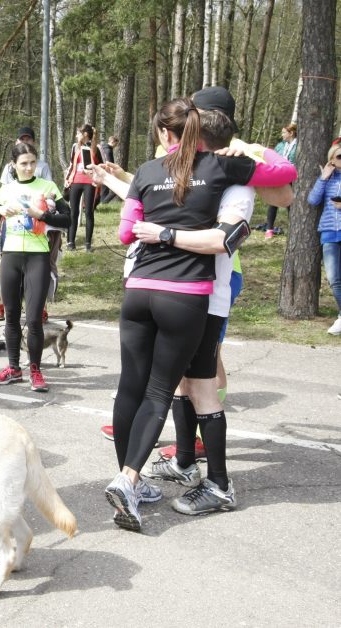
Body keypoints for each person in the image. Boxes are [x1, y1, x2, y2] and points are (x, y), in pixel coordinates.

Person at [106, 96, 297, 532]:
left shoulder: (231, 172)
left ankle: (217, 483)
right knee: (177, 386)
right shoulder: (192, 167)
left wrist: (163, 232)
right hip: (182, 290)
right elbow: (149, 198)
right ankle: (182, 467)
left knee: (200, 386)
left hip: (206, 294)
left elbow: (240, 225)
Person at [0, 143, 70, 389]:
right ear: (13, 165)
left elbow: (67, 219)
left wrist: (42, 215)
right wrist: (1, 210)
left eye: (32, 162)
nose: (28, 167)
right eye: (23, 163)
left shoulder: (47, 187)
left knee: (34, 319)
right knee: (12, 317)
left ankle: (35, 370)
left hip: (38, 256)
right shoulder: (7, 189)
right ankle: (14, 368)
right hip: (11, 255)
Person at [307, 141, 341, 336]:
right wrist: (323, 177)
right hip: (329, 232)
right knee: (334, 278)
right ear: (331, 159)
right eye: (339, 156)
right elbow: (312, 200)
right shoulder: (327, 178)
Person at [64, 124, 103, 251]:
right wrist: (67, 179)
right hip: (75, 181)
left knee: (88, 213)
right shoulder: (75, 147)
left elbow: (100, 165)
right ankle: (70, 242)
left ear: (85, 134)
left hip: (89, 183)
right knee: (73, 212)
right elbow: (71, 164)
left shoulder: (96, 147)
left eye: (78, 133)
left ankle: (88, 244)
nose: (76, 135)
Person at [264, 123, 298, 239]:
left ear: (291, 133)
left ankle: (294, 229)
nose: (282, 135)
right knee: (273, 202)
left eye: (284, 132)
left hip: (292, 177)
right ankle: (269, 229)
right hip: (279, 176)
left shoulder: (299, 145)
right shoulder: (280, 145)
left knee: (290, 203)